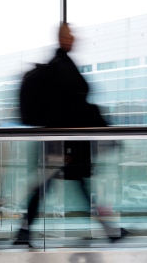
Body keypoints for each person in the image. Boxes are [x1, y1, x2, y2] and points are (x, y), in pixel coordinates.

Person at [14, 23, 127, 246]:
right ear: (61, 38)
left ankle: (24, 231)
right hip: (64, 143)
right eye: (69, 34)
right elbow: (71, 107)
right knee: (66, 186)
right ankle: (110, 231)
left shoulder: (59, 65)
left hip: (60, 142)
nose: (74, 37)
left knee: (57, 187)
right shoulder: (61, 66)